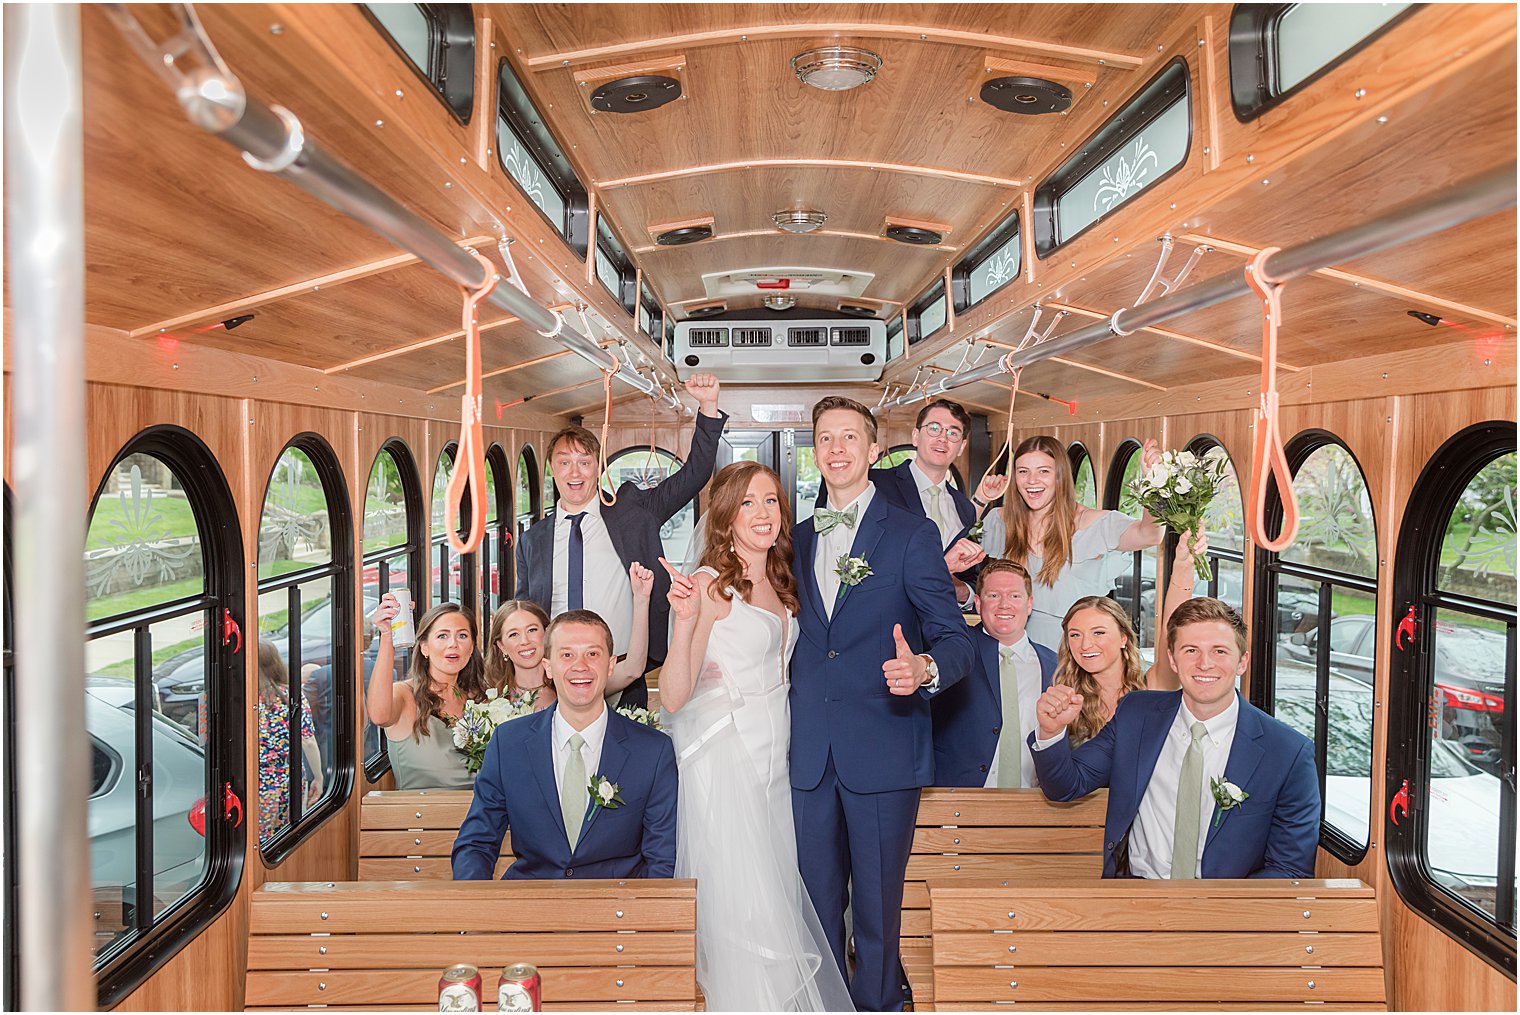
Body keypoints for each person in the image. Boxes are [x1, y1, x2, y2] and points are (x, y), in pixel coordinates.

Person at [791, 395, 975, 1012]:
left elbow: (954, 640)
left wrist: (922, 668)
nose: (837, 449)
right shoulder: (792, 538)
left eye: (850, 438)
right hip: (808, 756)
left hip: (884, 748)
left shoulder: (913, 534)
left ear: (874, 452)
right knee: (815, 913)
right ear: (814, 453)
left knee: (876, 911)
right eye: (825, 439)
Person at [660, 461, 853, 1012]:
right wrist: (682, 622)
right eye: (747, 503)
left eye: (771, 501)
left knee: (775, 893)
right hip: (728, 756)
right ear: (725, 515)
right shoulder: (709, 587)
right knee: (743, 905)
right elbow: (673, 696)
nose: (763, 513)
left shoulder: (782, 577)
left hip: (778, 757)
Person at [1030, 597, 1321, 879]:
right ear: (1172, 659)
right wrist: (1051, 732)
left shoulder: (1288, 752)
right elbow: (1066, 786)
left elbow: (1289, 869)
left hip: (1226, 912)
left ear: (1242, 661)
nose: (1205, 664)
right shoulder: (1137, 715)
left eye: (1219, 651)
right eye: (1191, 650)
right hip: (1135, 898)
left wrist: (1219, 914)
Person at [515, 374, 727, 710]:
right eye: (565, 463)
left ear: (598, 468)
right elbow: (524, 613)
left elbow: (694, 475)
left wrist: (708, 405)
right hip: (557, 676)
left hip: (625, 671)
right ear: (552, 469)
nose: (575, 473)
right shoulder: (532, 541)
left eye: (585, 463)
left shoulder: (633, 512)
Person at [452, 610, 679, 880]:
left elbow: (663, 858)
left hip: (616, 913)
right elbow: (476, 843)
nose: (580, 666)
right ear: (548, 666)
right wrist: (479, 914)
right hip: (530, 910)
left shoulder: (653, 751)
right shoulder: (508, 743)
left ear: (611, 665)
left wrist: (637, 920)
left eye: (592, 654)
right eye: (567, 655)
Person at [977, 435, 1164, 647]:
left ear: (1061, 476)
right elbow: (949, 546)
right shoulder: (1000, 521)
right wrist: (980, 499)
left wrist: (1155, 483)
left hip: (1074, 652)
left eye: (1043, 471)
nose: (1032, 481)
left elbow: (1150, 534)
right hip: (1009, 648)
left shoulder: (1094, 523)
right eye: (1023, 472)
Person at [1054, 530, 1213, 746]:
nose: (1085, 644)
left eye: (1098, 632)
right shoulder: (1064, 696)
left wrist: (1183, 566)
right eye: (1075, 635)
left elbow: (1173, 631)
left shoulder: (1150, 686)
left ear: (1123, 638)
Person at [822, 398, 986, 604]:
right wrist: (940, 569)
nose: (943, 438)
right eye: (934, 428)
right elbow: (843, 558)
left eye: (953, 433)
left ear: (961, 447)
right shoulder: (874, 484)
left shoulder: (964, 508)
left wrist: (963, 593)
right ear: (916, 436)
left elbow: (969, 578)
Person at [930, 560, 1057, 788]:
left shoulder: (1055, 665)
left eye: (1015, 596)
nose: (1004, 605)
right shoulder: (953, 654)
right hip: (957, 804)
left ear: (1029, 605)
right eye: (994, 596)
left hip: (1034, 805)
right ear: (978, 603)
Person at [485, 562, 655, 711]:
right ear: (501, 646)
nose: (525, 641)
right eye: (514, 634)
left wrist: (641, 600)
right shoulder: (489, 695)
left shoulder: (575, 680)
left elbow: (632, 669)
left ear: (546, 634)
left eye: (532, 630)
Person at [367, 600, 486, 790]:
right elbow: (379, 715)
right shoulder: (405, 696)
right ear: (424, 647)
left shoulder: (480, 700)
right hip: (422, 817)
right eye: (442, 636)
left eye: (462, 636)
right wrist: (387, 638)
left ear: (471, 648)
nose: (453, 644)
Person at [256, 640, 322, 836]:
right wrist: (318, 777)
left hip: (253, 779)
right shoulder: (290, 696)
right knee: (285, 836)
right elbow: (308, 741)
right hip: (287, 777)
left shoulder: (242, 699)